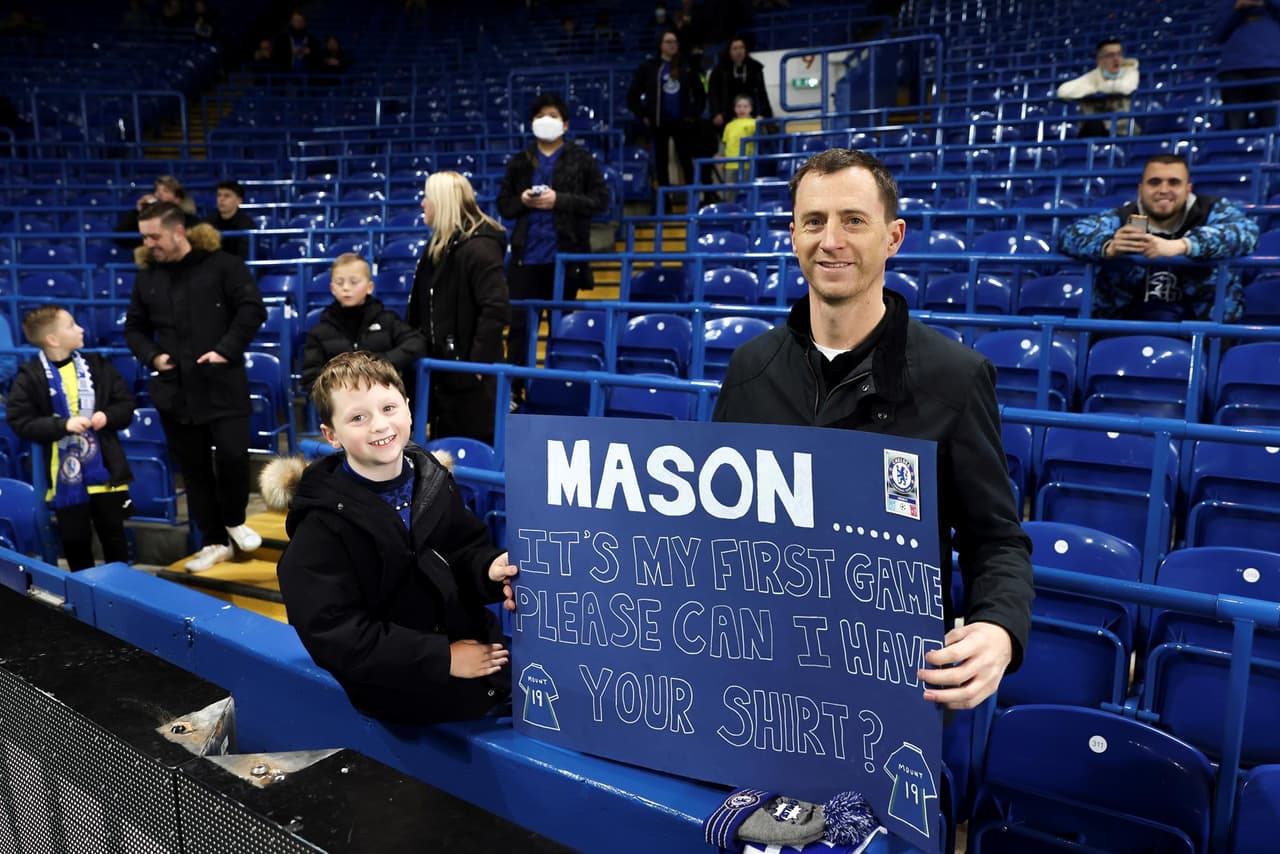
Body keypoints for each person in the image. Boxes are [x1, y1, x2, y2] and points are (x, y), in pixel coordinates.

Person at [712, 149, 1034, 710]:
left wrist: (998, 630)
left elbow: (996, 539)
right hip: (761, 674)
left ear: (893, 237)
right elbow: (713, 527)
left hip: (889, 688)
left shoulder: (954, 377)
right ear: (793, 236)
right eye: (814, 221)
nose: (831, 240)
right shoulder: (749, 369)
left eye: (853, 220)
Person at [268, 351, 518, 723]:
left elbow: (463, 551)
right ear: (331, 435)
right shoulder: (320, 526)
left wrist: (487, 570)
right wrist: (443, 658)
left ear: (409, 409)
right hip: (402, 690)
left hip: (480, 657)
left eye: (388, 408)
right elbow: (335, 633)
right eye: (358, 417)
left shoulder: (432, 481)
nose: (379, 426)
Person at [124, 202, 267, 572]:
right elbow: (134, 328)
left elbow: (252, 309)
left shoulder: (224, 265)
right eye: (144, 236)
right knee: (195, 470)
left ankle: (234, 518)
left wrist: (225, 350)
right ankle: (215, 540)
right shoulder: (147, 277)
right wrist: (154, 357)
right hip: (176, 390)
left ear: (178, 231)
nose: (148, 243)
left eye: (154, 235)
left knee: (234, 457)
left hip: (222, 382)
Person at [496, 93, 610, 399]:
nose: (546, 121)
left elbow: (601, 201)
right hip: (525, 257)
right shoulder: (520, 161)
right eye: (540, 116)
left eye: (553, 115)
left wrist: (559, 200)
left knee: (563, 329)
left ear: (566, 123)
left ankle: (563, 391)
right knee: (519, 329)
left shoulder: (582, 159)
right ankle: (514, 392)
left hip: (564, 258)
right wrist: (522, 200)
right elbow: (504, 205)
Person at [6, 306, 136, 571]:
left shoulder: (98, 365)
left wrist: (106, 416)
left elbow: (125, 405)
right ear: (53, 339)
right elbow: (20, 420)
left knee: (115, 539)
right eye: (72, 325)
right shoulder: (30, 376)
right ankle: (82, 608)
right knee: (75, 543)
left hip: (106, 476)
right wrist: (62, 425)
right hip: (63, 480)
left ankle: (125, 599)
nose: (81, 329)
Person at [1058, 153, 1260, 322]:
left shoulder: (1210, 209)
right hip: (1122, 324)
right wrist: (1108, 246)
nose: (1164, 190)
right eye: (1154, 182)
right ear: (1141, 189)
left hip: (1204, 328)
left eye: (1174, 182)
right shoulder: (1125, 216)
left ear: (1188, 189)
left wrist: (1183, 246)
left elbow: (1246, 232)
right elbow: (1070, 235)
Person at [407, 172, 510, 445]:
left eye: (428, 197)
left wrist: (476, 365)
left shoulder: (480, 248)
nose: (423, 204)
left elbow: (496, 308)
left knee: (472, 455)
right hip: (443, 376)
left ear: (442, 202)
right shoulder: (438, 244)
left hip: (471, 383)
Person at [300, 253, 426, 392]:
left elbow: (416, 343)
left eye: (354, 282)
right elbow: (311, 377)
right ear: (332, 289)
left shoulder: (387, 320)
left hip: (382, 394)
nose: (346, 287)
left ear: (370, 287)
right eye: (339, 282)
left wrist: (378, 365)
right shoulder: (319, 332)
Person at [627, 30, 706, 190]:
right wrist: (643, 115)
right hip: (659, 123)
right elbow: (632, 96)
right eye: (668, 42)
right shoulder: (649, 68)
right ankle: (665, 203)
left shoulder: (686, 66)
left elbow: (700, 95)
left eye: (675, 42)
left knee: (686, 160)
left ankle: (693, 199)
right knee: (661, 163)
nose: (672, 45)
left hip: (683, 123)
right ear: (660, 45)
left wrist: (693, 114)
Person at [1213, 0, 1280, 130]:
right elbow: (1217, 34)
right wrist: (1237, 8)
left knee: (1274, 126)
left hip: (1272, 65)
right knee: (1234, 131)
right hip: (1233, 68)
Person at [1055, 39, 1140, 136]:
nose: (1116, 59)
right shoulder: (1092, 77)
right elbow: (1063, 92)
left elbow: (1125, 88)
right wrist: (1093, 89)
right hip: (1096, 131)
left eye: (1119, 54)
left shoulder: (1130, 71)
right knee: (1093, 124)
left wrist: (1097, 88)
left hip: (1123, 131)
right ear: (1100, 60)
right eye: (1110, 55)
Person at [113, 175, 199, 249]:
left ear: (177, 199)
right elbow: (119, 238)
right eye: (157, 191)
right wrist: (138, 212)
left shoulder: (190, 219)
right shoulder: (146, 220)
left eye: (166, 191)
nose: (159, 194)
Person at [707, 36, 775, 130]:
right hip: (726, 115)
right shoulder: (719, 71)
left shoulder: (755, 68)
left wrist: (765, 114)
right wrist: (716, 113)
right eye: (735, 48)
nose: (739, 51)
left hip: (751, 115)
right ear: (729, 51)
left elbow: (762, 93)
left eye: (741, 47)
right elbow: (713, 94)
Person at [202, 180, 256, 261]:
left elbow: (245, 256)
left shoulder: (248, 225)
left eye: (227, 196)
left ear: (239, 201)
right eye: (219, 195)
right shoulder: (207, 223)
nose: (221, 199)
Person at [720, 94, 758, 184]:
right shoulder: (729, 125)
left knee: (745, 190)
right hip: (730, 164)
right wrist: (722, 161)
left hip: (747, 164)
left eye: (745, 106)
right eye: (739, 106)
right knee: (729, 192)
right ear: (734, 108)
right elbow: (725, 144)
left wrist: (760, 123)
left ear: (751, 108)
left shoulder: (754, 123)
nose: (742, 109)